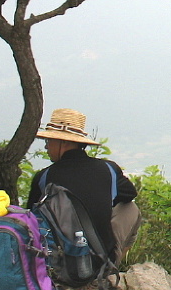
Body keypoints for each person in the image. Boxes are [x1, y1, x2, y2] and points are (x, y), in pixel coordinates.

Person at [27, 108, 142, 267]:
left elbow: (30, 219)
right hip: (98, 264)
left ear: (64, 142)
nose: (46, 147)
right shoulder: (108, 170)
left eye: (49, 141)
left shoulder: (44, 177)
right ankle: (112, 267)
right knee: (131, 208)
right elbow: (130, 194)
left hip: (58, 265)